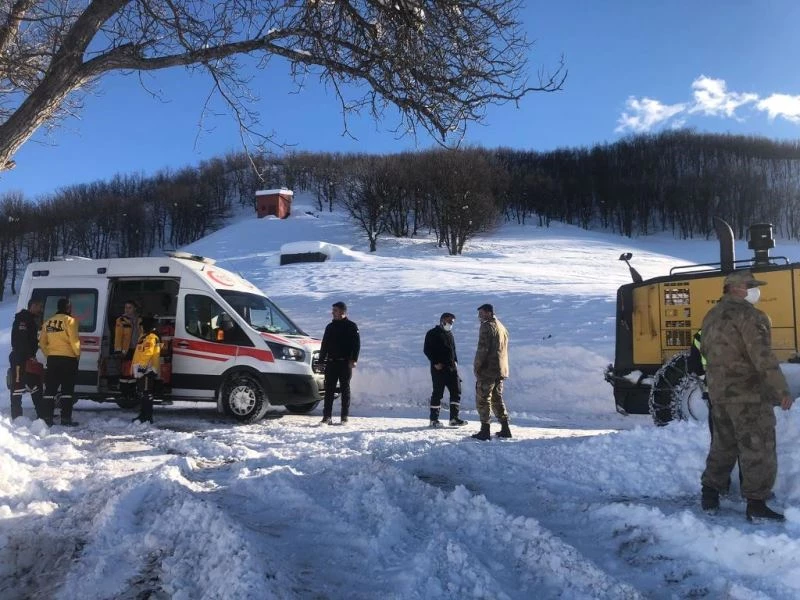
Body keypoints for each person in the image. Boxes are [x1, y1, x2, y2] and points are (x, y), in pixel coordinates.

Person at [699, 270, 793, 522]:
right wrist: (781, 389)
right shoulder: (750, 316)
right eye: (750, 286)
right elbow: (762, 356)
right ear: (735, 288)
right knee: (758, 447)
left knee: (723, 444)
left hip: (719, 393)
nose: (755, 290)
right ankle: (756, 503)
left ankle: (710, 494)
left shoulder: (711, 315)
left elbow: (705, 351)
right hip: (748, 394)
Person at [471, 303, 511, 440]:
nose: (479, 316)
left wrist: (477, 366)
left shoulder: (487, 326)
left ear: (489, 313)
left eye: (481, 313)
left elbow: (482, 349)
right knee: (496, 398)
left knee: (483, 399)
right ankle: (505, 428)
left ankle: (485, 430)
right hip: (500, 370)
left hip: (488, 369)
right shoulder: (501, 326)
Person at [39, 298, 81, 426]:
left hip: (53, 359)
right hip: (68, 359)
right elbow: (74, 340)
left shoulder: (48, 322)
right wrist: (77, 354)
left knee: (50, 390)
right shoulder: (70, 321)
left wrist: (49, 354)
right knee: (67, 390)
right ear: (68, 308)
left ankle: (47, 418)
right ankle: (66, 419)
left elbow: (42, 343)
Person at [318, 301, 360, 425]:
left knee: (345, 389)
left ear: (342, 311)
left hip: (345, 363)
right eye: (333, 310)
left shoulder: (351, 326)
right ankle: (327, 417)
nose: (332, 313)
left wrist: (354, 359)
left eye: (335, 310)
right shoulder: (330, 327)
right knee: (329, 390)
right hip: (331, 363)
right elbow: (324, 345)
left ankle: (344, 416)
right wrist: (321, 361)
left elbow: (356, 345)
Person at [423, 312, 467, 428]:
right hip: (439, 368)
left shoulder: (450, 334)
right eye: (449, 321)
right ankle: (434, 420)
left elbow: (453, 350)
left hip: (452, 369)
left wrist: (455, 361)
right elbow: (427, 350)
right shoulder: (432, 333)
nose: (451, 324)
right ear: (442, 320)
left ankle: (454, 418)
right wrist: (435, 362)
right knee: (438, 393)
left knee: (456, 391)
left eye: (452, 322)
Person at [9, 298, 45, 421]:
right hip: (19, 359)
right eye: (39, 307)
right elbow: (21, 341)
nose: (41, 310)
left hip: (27, 358)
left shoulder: (30, 319)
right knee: (17, 387)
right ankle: (17, 417)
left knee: (35, 386)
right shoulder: (23, 319)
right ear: (33, 306)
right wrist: (30, 356)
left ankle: (42, 415)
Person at [131, 317, 161, 424]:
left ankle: (147, 417)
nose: (140, 328)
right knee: (143, 393)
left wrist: (142, 367)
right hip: (143, 369)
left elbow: (148, 353)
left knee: (147, 394)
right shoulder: (144, 337)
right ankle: (143, 415)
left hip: (147, 370)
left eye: (142, 326)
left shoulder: (151, 338)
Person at [114, 300, 141, 402]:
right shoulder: (121, 320)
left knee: (134, 372)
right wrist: (118, 350)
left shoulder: (139, 319)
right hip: (126, 350)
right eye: (126, 307)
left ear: (135, 309)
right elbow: (118, 336)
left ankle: (132, 392)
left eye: (129, 307)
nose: (127, 310)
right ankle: (124, 393)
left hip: (137, 349)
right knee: (125, 372)